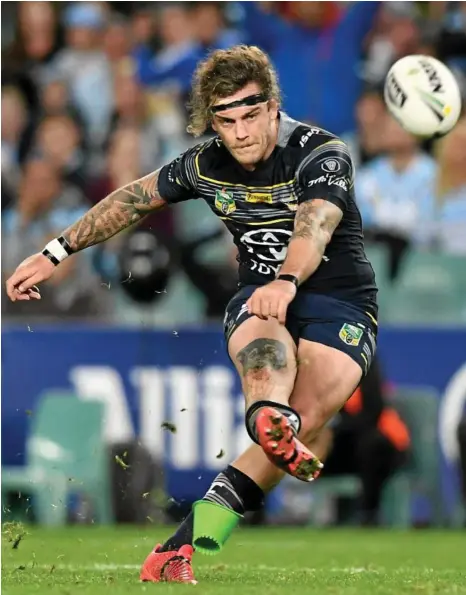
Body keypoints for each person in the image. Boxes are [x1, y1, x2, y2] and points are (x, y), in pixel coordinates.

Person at [5, 45, 378, 584]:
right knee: (265, 357)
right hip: (259, 297)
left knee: (312, 410)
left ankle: (175, 549)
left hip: (338, 300)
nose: (242, 132)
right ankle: (270, 418)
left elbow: (314, 227)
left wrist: (288, 280)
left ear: (273, 107)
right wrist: (53, 253)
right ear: (213, 124)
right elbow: (132, 199)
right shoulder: (205, 162)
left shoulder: (321, 153)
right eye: (227, 121)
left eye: (251, 115)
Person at [315, 355, 409, 526]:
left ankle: (369, 513)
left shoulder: (366, 362)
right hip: (345, 443)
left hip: (382, 446)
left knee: (371, 446)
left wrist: (334, 428)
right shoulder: (321, 367)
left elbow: (372, 412)